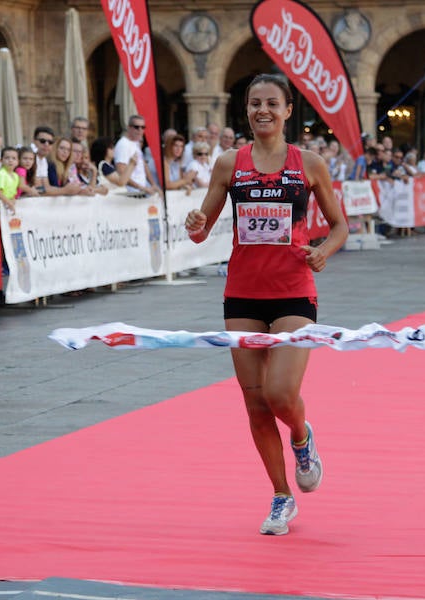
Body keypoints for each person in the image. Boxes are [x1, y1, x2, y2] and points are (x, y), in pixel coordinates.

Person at [184, 73, 348, 536]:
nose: (263, 111)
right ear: (247, 109)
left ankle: (301, 435)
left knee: (278, 394)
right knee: (255, 404)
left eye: (272, 104)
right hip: (243, 293)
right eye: (255, 103)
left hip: (295, 290)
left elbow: (339, 226)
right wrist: (194, 222)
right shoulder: (228, 164)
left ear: (287, 110)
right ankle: (281, 495)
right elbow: (201, 228)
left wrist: (324, 250)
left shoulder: (310, 163)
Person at [113, 115, 160, 195]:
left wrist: (153, 184)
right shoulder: (123, 145)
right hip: (131, 192)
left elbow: (144, 165)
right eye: (136, 127)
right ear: (128, 127)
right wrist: (142, 188)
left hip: (141, 191)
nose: (140, 130)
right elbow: (121, 173)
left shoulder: (136, 143)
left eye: (143, 127)